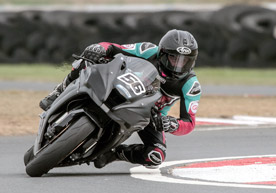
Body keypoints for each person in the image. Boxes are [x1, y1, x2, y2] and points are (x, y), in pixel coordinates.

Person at [39, 29, 201, 168]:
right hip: (121, 84)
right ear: (162, 53)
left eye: (184, 61)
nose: (177, 65)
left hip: (150, 113)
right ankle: (59, 91)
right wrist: (99, 48)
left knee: (155, 155)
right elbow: (113, 48)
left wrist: (172, 124)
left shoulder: (191, 86)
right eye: (173, 58)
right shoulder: (148, 50)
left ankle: (114, 154)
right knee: (88, 57)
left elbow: (189, 123)